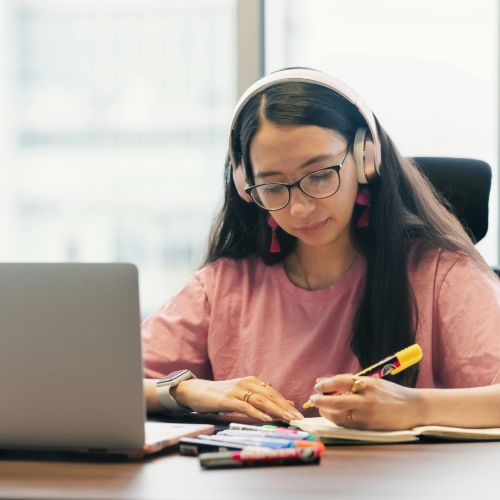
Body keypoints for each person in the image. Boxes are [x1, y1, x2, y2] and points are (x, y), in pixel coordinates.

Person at [142, 68, 500, 431]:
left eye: (319, 175)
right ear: (244, 185)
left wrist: (415, 406)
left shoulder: (440, 276)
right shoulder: (221, 287)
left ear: (365, 160)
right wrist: (185, 390)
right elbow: (96, 386)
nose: (299, 209)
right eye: (272, 187)